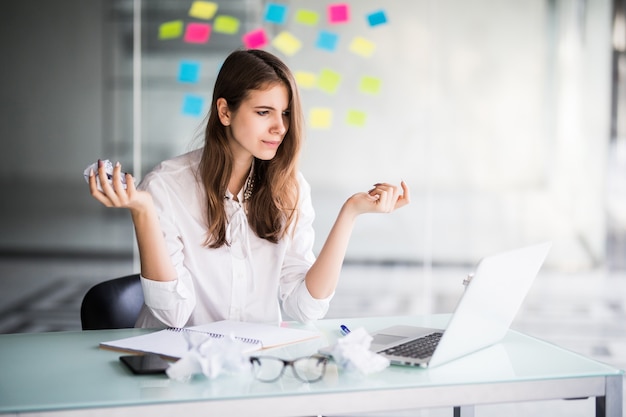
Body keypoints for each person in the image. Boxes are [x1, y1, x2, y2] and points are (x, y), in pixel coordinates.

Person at [88, 49, 409, 329]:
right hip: (174, 371)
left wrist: (350, 213)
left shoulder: (290, 188)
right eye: (263, 112)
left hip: (255, 368)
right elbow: (172, 314)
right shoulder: (167, 187)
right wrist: (143, 211)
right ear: (225, 111)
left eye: (284, 113)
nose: (280, 127)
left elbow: (305, 308)